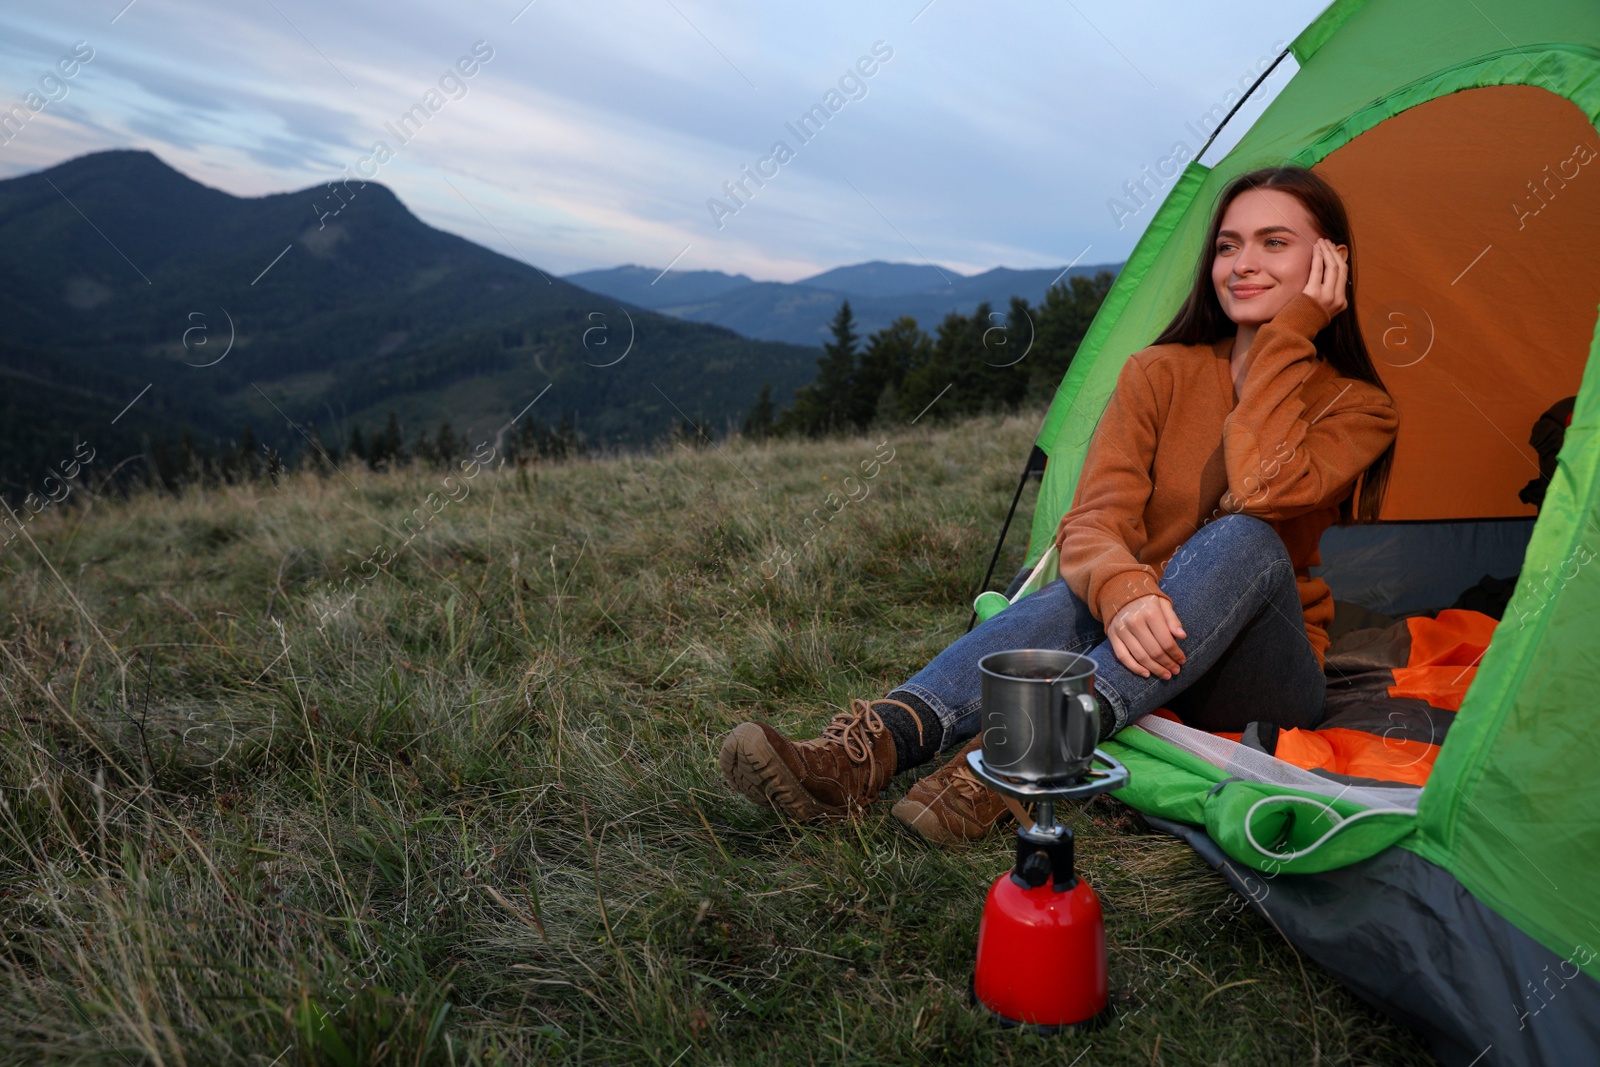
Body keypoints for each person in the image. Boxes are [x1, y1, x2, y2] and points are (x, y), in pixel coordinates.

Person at [718, 165, 1400, 844]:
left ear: (1329, 261)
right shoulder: (1158, 373)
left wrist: (1289, 337)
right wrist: (1125, 591)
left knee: (1246, 536)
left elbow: (1258, 487)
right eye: (1228, 245)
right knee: (1082, 585)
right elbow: (1096, 520)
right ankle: (868, 751)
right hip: (1134, 647)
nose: (1242, 264)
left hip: (1258, 678)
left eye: (1273, 243)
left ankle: (1017, 758)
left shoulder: (1360, 408)